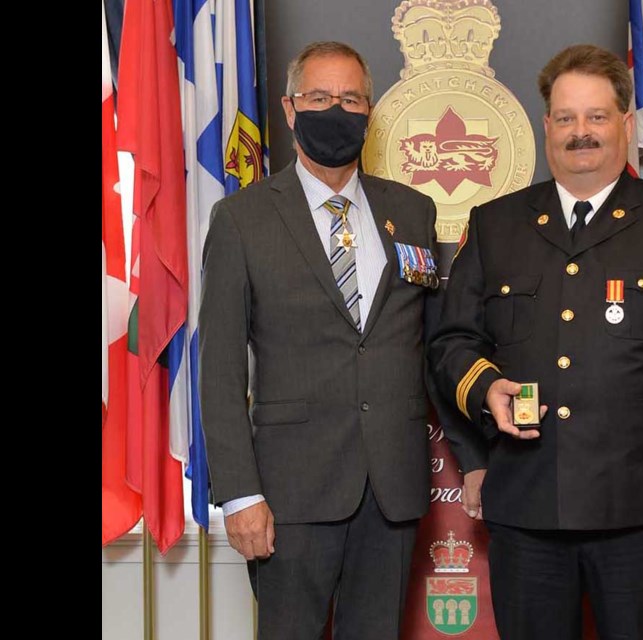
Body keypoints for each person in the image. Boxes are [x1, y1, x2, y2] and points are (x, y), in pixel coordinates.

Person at [429, 44, 643, 640]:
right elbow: (451, 343)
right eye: (566, 118)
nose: (582, 133)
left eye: (597, 117)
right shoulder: (495, 224)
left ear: (626, 124)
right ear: (546, 125)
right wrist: (485, 395)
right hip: (527, 511)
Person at [199, 41, 440, 639]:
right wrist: (239, 495)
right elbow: (221, 369)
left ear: (370, 109)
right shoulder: (241, 220)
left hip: (391, 491)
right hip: (288, 496)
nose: (336, 108)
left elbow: (433, 343)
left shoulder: (412, 212)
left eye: (350, 98)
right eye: (319, 97)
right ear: (289, 108)